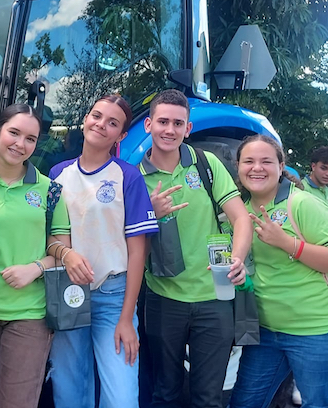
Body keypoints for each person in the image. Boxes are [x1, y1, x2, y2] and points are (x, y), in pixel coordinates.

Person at [138, 89, 252, 408]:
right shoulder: (133, 178)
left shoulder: (207, 163)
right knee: (165, 393)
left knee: (208, 398)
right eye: (162, 121)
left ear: (188, 129)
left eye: (177, 123)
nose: (169, 130)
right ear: (148, 125)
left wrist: (238, 258)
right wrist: (150, 214)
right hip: (163, 300)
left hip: (214, 301)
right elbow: (126, 242)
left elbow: (241, 219)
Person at [0, 104, 71, 408]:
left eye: (30, 139)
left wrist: (35, 268)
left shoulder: (50, 190)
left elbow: (62, 249)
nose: (20, 144)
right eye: (14, 133)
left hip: (29, 313)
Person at [48, 95, 159, 408]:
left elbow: (138, 253)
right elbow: (50, 240)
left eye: (113, 123)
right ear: (85, 119)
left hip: (112, 297)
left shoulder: (128, 176)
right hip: (68, 293)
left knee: (121, 396)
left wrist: (127, 317)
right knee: (69, 391)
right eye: (96, 116)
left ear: (121, 136)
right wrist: (65, 255)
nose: (101, 125)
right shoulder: (58, 174)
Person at [230, 135, 328, 408]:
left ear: (281, 165)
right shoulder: (237, 209)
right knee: (244, 403)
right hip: (264, 331)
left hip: (313, 331)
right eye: (249, 161)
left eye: (266, 161)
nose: (257, 168)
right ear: (238, 166)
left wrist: (288, 244)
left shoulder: (301, 204)